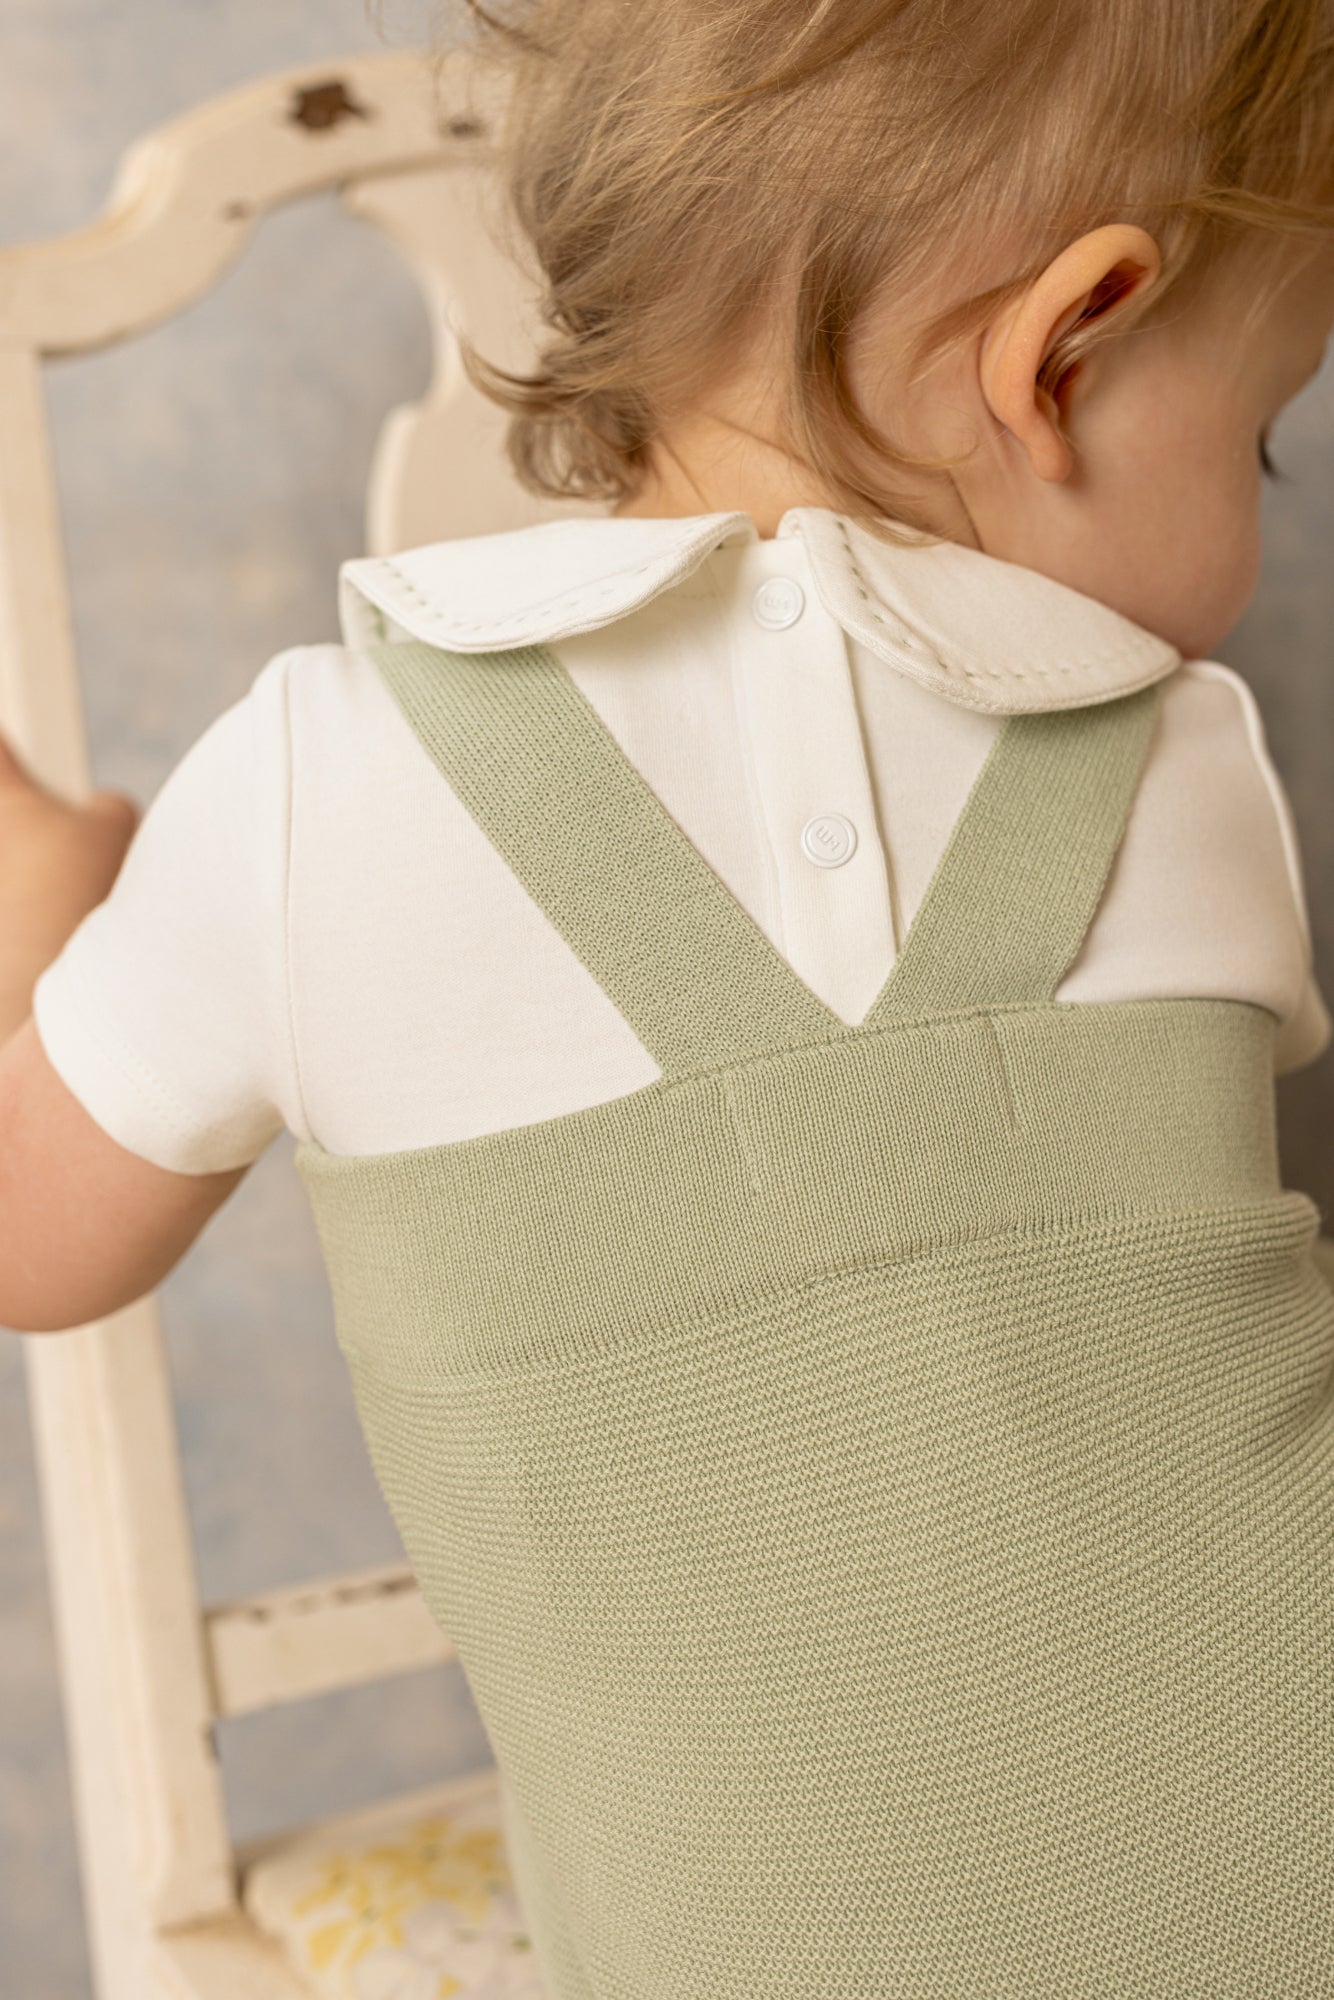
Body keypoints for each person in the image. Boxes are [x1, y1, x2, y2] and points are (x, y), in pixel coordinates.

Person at [3, 1, 1334, 1991]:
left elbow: (32, 1240)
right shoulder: (1194, 768)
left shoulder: (299, 786)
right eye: (1263, 434)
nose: (1257, 507)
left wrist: (55, 924)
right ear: (1061, 352)